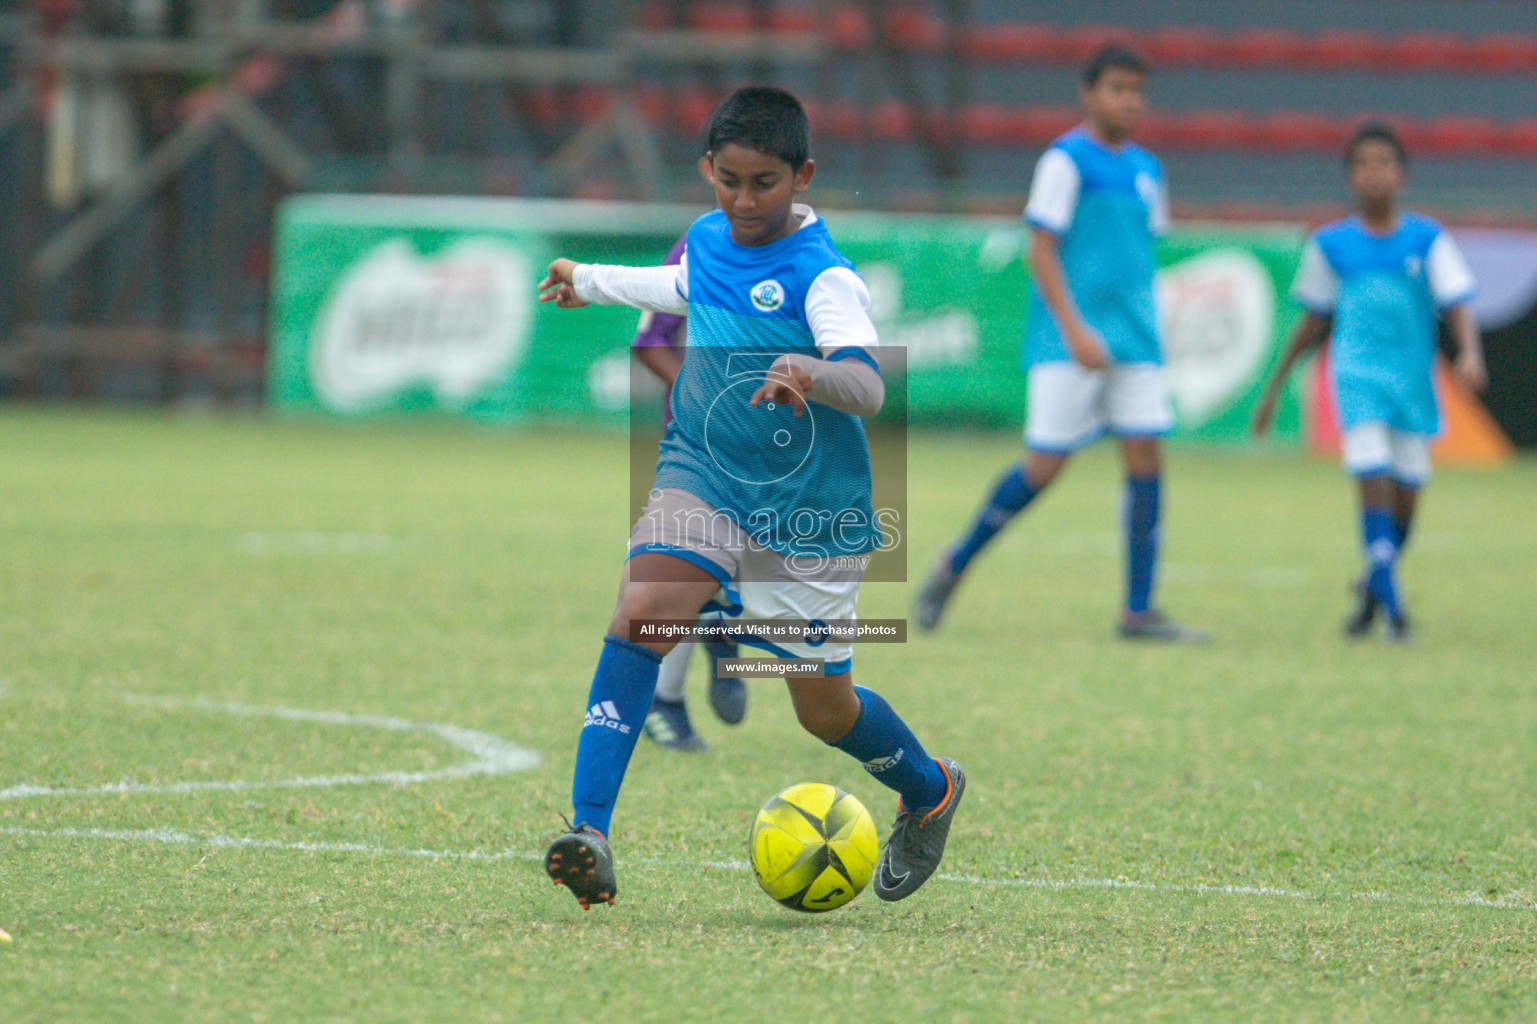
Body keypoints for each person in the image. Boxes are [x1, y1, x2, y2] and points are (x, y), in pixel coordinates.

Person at [536, 86, 964, 910]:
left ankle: (929, 789)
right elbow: (685, 287)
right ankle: (588, 832)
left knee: (823, 711)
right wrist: (585, 280)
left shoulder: (823, 277)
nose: (742, 199)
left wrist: (809, 371)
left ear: (802, 176)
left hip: (808, 510)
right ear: (707, 169)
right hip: (701, 466)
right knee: (643, 612)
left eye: (763, 182)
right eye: (727, 179)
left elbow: (868, 387)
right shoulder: (709, 234)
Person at [913, 44, 1206, 642]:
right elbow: (1039, 249)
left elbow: (1136, 254)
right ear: (1089, 93)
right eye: (1117, 88)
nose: (1128, 100)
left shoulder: (1149, 169)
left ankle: (1138, 611)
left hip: (1136, 342)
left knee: (1146, 460)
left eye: (1136, 90)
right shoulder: (1066, 161)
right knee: (1044, 466)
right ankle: (954, 564)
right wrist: (1075, 329)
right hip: (1068, 340)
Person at [1252, 121, 1485, 641]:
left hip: (1411, 382)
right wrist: (1273, 389)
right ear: (1350, 177)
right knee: (1372, 477)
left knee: (1407, 497)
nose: (1374, 172)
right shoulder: (1331, 244)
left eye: (1384, 161)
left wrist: (1469, 351)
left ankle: (1371, 587)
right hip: (1356, 378)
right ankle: (1397, 613)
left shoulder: (1426, 238)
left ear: (1401, 173)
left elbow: (1456, 302)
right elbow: (1312, 322)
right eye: (1363, 163)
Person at [629, 234, 747, 752]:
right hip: (697, 438)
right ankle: (665, 700)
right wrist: (710, 400)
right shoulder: (694, 249)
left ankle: (721, 639)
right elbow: (651, 342)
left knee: (757, 555)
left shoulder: (805, 250)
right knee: (684, 561)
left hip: (767, 436)